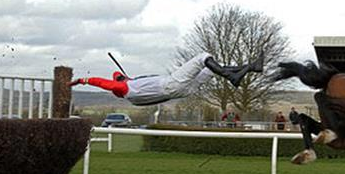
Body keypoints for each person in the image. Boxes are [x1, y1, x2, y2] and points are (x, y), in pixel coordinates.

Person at [70, 52, 263, 106]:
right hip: (172, 85)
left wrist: (127, 79)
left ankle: (251, 67)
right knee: (203, 57)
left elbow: (118, 80)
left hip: (181, 92)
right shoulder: (126, 88)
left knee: (210, 70)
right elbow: (105, 83)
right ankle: (232, 76)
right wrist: (82, 81)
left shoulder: (132, 95)